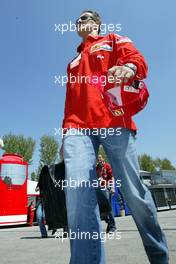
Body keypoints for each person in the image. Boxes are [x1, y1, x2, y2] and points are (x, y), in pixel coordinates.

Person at [62, 10, 169, 264]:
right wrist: (65, 134)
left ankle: (159, 257)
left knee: (133, 192)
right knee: (77, 189)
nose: (80, 21)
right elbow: (69, 103)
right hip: (77, 127)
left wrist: (128, 67)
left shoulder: (113, 39)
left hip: (114, 120)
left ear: (97, 23)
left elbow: (137, 60)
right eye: (78, 19)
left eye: (86, 17)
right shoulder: (73, 62)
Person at [96, 154, 116, 233]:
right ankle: (109, 222)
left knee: (108, 207)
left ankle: (113, 227)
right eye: (97, 158)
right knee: (101, 209)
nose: (99, 159)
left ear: (103, 158)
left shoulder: (107, 166)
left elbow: (112, 177)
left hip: (107, 188)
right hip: (99, 189)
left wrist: (113, 187)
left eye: (100, 157)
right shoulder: (96, 168)